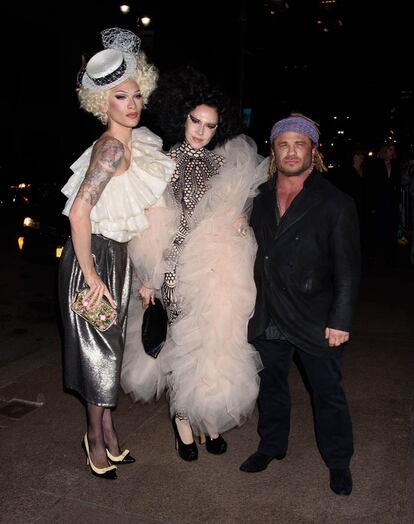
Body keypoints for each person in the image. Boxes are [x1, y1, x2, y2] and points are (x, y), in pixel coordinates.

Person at [121, 66, 265, 461]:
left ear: (220, 128)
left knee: (208, 345)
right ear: (182, 118)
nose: (201, 131)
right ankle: (183, 423)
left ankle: (207, 420)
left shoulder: (222, 165)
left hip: (214, 270)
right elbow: (150, 224)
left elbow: (229, 215)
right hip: (172, 269)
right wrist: (151, 276)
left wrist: (238, 224)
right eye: (195, 121)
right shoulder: (163, 164)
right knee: (179, 345)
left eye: (210, 125)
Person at [58, 27, 175, 479]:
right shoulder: (110, 148)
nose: (133, 104)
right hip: (94, 260)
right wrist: (90, 276)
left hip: (113, 258)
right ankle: (95, 437)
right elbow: (78, 214)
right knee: (99, 355)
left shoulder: (134, 141)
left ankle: (107, 432)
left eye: (137, 95)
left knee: (108, 351)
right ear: (102, 102)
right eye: (122, 97)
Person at [239, 114, 361, 496]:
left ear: (314, 151)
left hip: (315, 316)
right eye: (283, 144)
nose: (291, 151)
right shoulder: (256, 197)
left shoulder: (335, 202)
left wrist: (340, 320)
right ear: (274, 152)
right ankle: (271, 445)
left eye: (300, 144)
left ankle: (338, 461)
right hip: (268, 312)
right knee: (270, 386)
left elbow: (348, 269)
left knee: (327, 392)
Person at [364, 142, 401, 268]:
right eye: (390, 149)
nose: (392, 152)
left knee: (392, 229)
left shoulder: (396, 165)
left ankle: (391, 257)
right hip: (379, 202)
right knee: (379, 229)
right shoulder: (375, 165)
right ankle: (376, 257)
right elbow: (371, 186)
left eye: (393, 150)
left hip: (392, 202)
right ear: (385, 151)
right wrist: (373, 205)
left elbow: (397, 184)